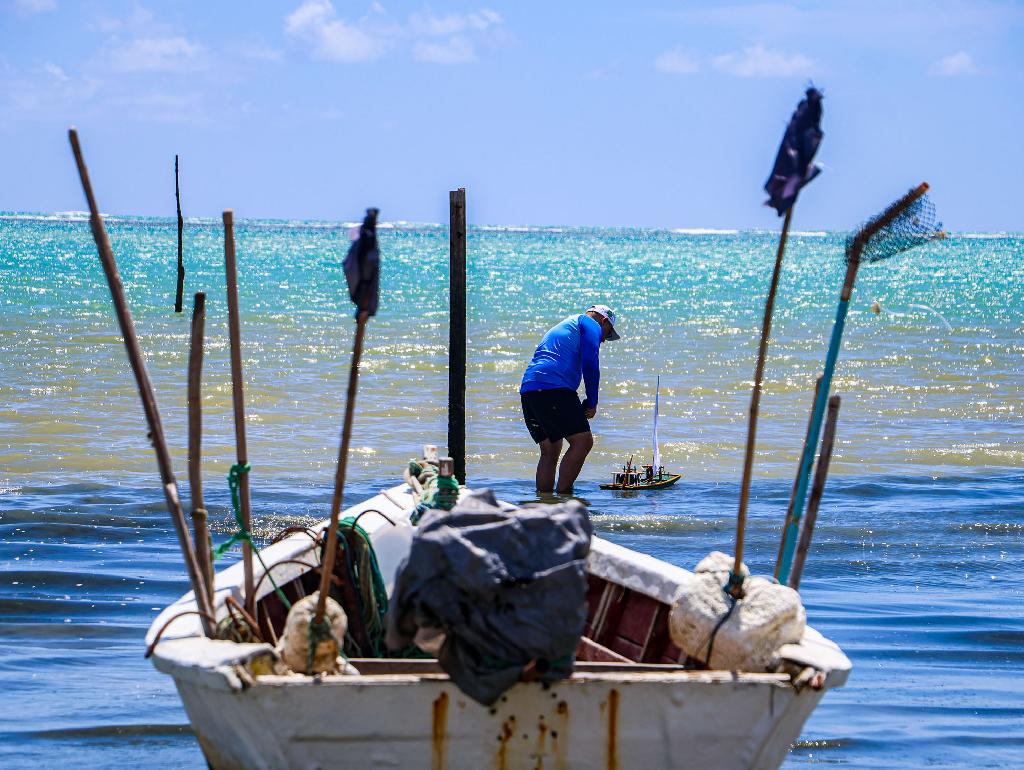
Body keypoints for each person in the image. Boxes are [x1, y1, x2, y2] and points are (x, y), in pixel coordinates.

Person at [520, 305, 621, 494]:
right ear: (604, 321)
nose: (604, 340)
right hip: (553, 388)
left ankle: (545, 503)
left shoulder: (568, 324)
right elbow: (591, 364)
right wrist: (592, 402)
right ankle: (565, 498)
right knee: (583, 441)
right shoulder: (590, 323)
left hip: (529, 390)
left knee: (550, 449)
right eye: (607, 334)